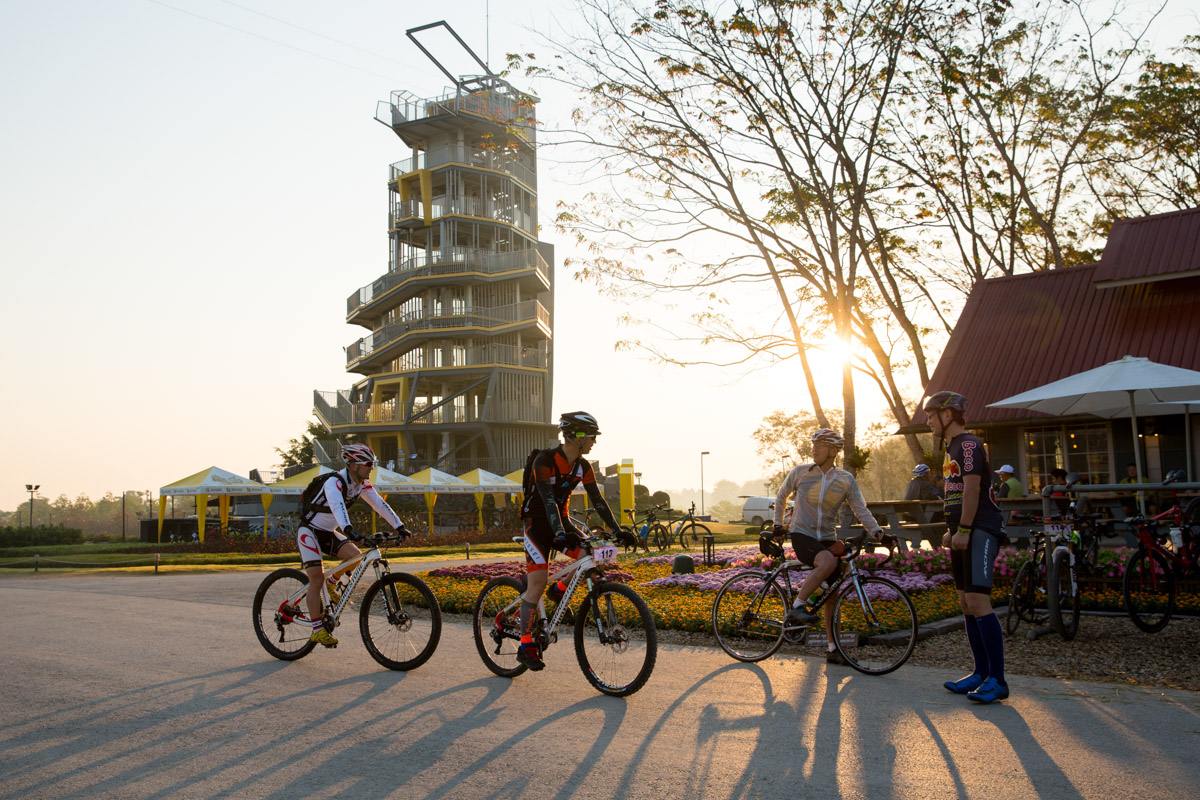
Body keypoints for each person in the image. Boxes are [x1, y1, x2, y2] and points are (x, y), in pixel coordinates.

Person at [517, 411, 637, 670]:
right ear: (578, 436)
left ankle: (558, 590)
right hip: (537, 525)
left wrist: (617, 531)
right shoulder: (544, 460)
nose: (594, 442)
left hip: (561, 521)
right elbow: (547, 500)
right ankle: (526, 645)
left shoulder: (583, 466)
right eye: (592, 436)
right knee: (535, 584)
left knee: (591, 557)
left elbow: (598, 500)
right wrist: (559, 533)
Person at [773, 428, 884, 665]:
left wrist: (878, 532)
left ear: (834, 451)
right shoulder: (800, 472)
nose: (814, 448)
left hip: (826, 537)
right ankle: (797, 607)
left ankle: (834, 649)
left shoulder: (845, 479)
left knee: (831, 596)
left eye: (820, 445)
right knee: (827, 561)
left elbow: (860, 508)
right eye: (813, 443)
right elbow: (781, 496)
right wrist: (777, 525)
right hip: (801, 534)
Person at [924, 390, 1009, 704]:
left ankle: (997, 680)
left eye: (931, 415)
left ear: (947, 415)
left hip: (981, 530)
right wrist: (951, 531)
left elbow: (973, 490)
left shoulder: (970, 445)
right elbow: (955, 492)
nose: (928, 421)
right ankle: (980, 673)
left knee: (977, 600)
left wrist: (964, 529)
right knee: (965, 603)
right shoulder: (952, 448)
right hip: (961, 532)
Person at [297, 443, 409, 648]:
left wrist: (399, 526)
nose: (372, 467)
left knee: (355, 557)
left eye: (373, 463)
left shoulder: (361, 485)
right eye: (368, 464)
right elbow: (337, 506)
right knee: (316, 578)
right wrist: (348, 529)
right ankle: (317, 630)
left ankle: (332, 585)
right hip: (310, 531)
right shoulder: (335, 482)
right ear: (353, 465)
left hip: (328, 533)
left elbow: (379, 504)